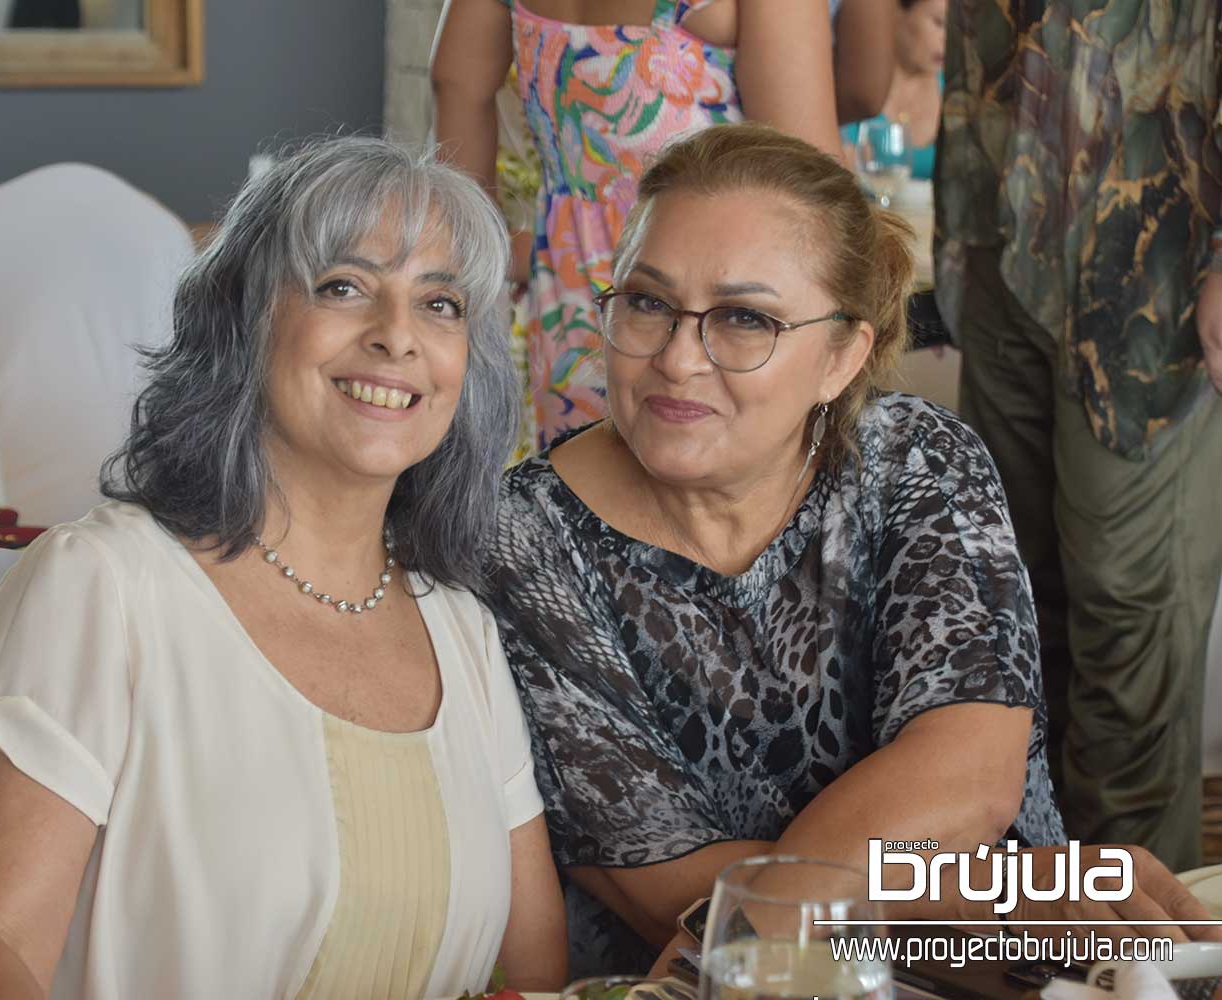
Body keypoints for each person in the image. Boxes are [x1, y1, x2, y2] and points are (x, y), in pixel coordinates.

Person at [478, 123, 1220, 978]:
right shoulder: (522, 538)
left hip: (1019, 974)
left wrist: (948, 892)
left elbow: (965, 779)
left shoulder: (916, 460)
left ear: (842, 356)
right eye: (647, 303)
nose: (678, 359)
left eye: (745, 318)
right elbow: (664, 887)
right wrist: (982, 896)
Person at [0, 137, 568, 999]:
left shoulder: (463, 631)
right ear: (244, 321)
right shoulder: (105, 588)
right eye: (343, 286)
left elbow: (535, 972)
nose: (397, 336)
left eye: (440, 304)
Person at [936, 0, 1222, 871]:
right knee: (1010, 607)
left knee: (1128, 616)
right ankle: (1043, 913)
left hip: (1160, 240)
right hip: (996, 218)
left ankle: (1136, 937)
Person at [432, 0, 842, 451]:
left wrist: (501, 250)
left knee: (583, 479)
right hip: (712, 317)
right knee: (711, 485)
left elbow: (455, 83)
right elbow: (815, 191)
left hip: (566, 301)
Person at [840, 0, 945, 180]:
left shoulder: (958, 98)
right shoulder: (852, 84)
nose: (948, 39)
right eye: (939, 23)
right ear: (897, 12)